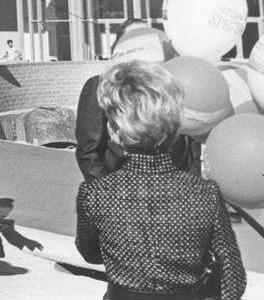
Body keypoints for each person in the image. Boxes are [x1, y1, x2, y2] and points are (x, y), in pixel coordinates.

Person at [75, 60, 246, 300]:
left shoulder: (95, 193)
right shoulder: (205, 193)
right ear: (176, 127)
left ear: (115, 129)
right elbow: (234, 279)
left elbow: (90, 254)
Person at [76, 19, 198, 181]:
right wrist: (110, 192)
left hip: (176, 186)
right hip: (123, 189)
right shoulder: (99, 86)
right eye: (134, 37)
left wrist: (190, 182)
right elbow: (88, 152)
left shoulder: (174, 85)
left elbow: (192, 139)